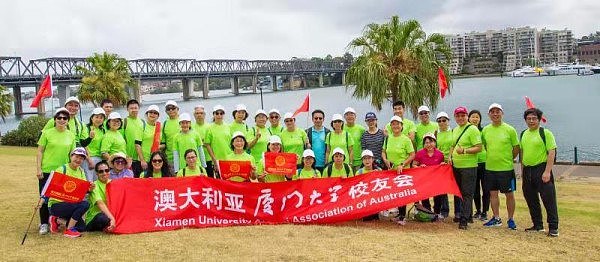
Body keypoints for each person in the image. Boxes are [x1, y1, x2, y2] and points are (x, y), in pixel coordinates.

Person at [519, 108, 559, 237]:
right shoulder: (524, 133)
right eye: (528, 119)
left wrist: (547, 171)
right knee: (531, 198)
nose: (531, 121)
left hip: (541, 168)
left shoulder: (545, 133)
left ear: (539, 119)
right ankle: (537, 225)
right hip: (527, 170)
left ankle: (553, 227)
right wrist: (523, 171)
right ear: (525, 120)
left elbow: (552, 152)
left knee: (548, 199)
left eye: (534, 118)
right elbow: (522, 153)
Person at [36, 107, 76, 235]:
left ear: (68, 121)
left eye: (65, 118)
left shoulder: (71, 135)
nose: (62, 120)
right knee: (44, 197)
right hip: (47, 170)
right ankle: (43, 223)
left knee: (60, 198)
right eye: (59, 118)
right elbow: (40, 151)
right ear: (55, 120)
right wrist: (38, 168)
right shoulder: (47, 133)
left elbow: (72, 154)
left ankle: (56, 220)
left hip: (63, 171)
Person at [481, 103, 519, 230]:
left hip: (506, 169)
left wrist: (508, 159)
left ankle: (511, 219)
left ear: (502, 113)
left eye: (498, 111)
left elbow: (516, 148)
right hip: (490, 168)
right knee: (493, 194)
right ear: (489, 114)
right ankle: (496, 218)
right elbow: (485, 146)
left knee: (509, 195)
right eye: (492, 112)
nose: (495, 114)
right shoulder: (486, 130)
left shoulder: (510, 129)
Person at [449, 106, 482, 230]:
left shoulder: (473, 129)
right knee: (459, 193)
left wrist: (465, 151)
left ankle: (464, 219)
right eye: (458, 116)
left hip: (469, 167)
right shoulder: (456, 129)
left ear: (467, 116)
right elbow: (453, 145)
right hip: (456, 166)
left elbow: (479, 147)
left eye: (463, 115)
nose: (460, 118)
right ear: (455, 117)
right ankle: (466, 215)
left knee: (467, 193)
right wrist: (450, 156)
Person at [47, 147, 93, 238]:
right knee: (85, 204)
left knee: (81, 227)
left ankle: (56, 220)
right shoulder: (62, 169)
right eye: (76, 157)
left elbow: (82, 189)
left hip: (71, 203)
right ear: (71, 156)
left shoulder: (81, 171)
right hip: (56, 204)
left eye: (81, 158)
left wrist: (89, 189)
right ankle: (69, 230)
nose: (78, 160)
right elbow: (51, 187)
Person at [381, 116, 415, 225]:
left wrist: (402, 164)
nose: (396, 126)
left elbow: (412, 154)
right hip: (391, 170)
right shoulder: (388, 138)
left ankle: (402, 216)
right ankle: (398, 214)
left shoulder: (406, 139)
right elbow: (383, 151)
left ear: (402, 126)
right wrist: (385, 160)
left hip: (403, 171)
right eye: (393, 124)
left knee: (402, 194)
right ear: (391, 126)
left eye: (398, 124)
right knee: (394, 193)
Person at [413, 133, 446, 218]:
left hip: (436, 180)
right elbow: (414, 165)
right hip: (424, 180)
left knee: (437, 196)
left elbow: (443, 165)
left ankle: (437, 213)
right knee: (425, 196)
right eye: (426, 143)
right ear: (424, 144)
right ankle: (427, 212)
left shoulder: (439, 154)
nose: (429, 145)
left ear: (435, 142)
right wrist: (419, 167)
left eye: (431, 142)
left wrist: (443, 164)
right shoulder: (420, 153)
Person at [468, 109, 489, 221]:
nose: (475, 119)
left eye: (477, 117)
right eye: (473, 117)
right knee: (475, 189)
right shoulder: (467, 131)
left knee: (486, 189)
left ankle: (485, 212)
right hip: (473, 163)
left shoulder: (484, 131)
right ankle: (478, 211)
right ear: (469, 118)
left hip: (484, 162)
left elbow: (488, 145)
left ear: (480, 119)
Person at [85, 161, 116, 232]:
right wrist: (112, 218)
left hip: (111, 214)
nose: (104, 173)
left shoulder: (114, 183)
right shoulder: (94, 186)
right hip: (94, 218)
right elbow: (100, 203)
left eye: (106, 170)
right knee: (102, 218)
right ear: (97, 173)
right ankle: (108, 225)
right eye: (101, 171)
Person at [204, 105, 232, 178]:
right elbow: (207, 145)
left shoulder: (228, 127)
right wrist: (214, 159)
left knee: (230, 180)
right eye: (217, 113)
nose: (219, 115)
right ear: (213, 114)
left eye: (221, 113)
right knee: (220, 181)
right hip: (217, 161)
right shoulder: (209, 128)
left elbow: (232, 143)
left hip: (229, 158)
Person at [136, 105, 163, 177]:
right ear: (147, 114)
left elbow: (163, 144)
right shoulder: (142, 126)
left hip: (155, 161)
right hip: (144, 161)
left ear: (158, 116)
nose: (152, 114)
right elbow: (137, 145)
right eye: (150, 112)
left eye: (155, 113)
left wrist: (157, 146)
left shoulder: (159, 127)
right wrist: (142, 160)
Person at [434, 111, 452, 218]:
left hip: (451, 162)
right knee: (442, 188)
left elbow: (454, 145)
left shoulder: (453, 132)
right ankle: (444, 210)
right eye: (439, 121)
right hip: (440, 164)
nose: (442, 122)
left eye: (444, 120)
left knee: (455, 187)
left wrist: (450, 157)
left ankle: (459, 212)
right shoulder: (436, 133)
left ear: (448, 121)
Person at [356, 149, 382, 221]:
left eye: (369, 158)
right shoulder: (359, 172)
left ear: (373, 159)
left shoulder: (379, 170)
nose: (367, 161)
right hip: (364, 198)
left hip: (375, 197)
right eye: (365, 158)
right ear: (362, 160)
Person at [122, 99, 146, 177]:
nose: (134, 110)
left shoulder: (142, 122)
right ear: (127, 109)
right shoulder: (124, 122)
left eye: (135, 108)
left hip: (140, 158)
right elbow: (121, 140)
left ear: (138, 108)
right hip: (128, 159)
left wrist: (143, 159)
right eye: (131, 108)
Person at [82, 107, 106, 181]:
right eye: (97, 117)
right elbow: (84, 144)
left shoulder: (102, 130)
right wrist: (89, 160)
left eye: (101, 117)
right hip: (89, 159)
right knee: (89, 181)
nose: (99, 119)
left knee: (97, 181)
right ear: (92, 118)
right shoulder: (87, 128)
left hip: (99, 159)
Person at [161, 100, 181, 169]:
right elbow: (163, 143)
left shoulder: (183, 121)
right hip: (169, 158)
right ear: (166, 111)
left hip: (183, 157)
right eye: (168, 109)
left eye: (173, 108)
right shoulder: (165, 123)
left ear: (178, 109)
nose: (171, 110)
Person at [193, 105, 211, 175]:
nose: (199, 115)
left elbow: (212, 143)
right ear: (194, 115)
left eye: (201, 113)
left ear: (204, 114)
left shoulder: (209, 127)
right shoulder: (191, 127)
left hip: (209, 158)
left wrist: (201, 142)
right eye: (197, 113)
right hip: (197, 160)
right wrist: (203, 142)